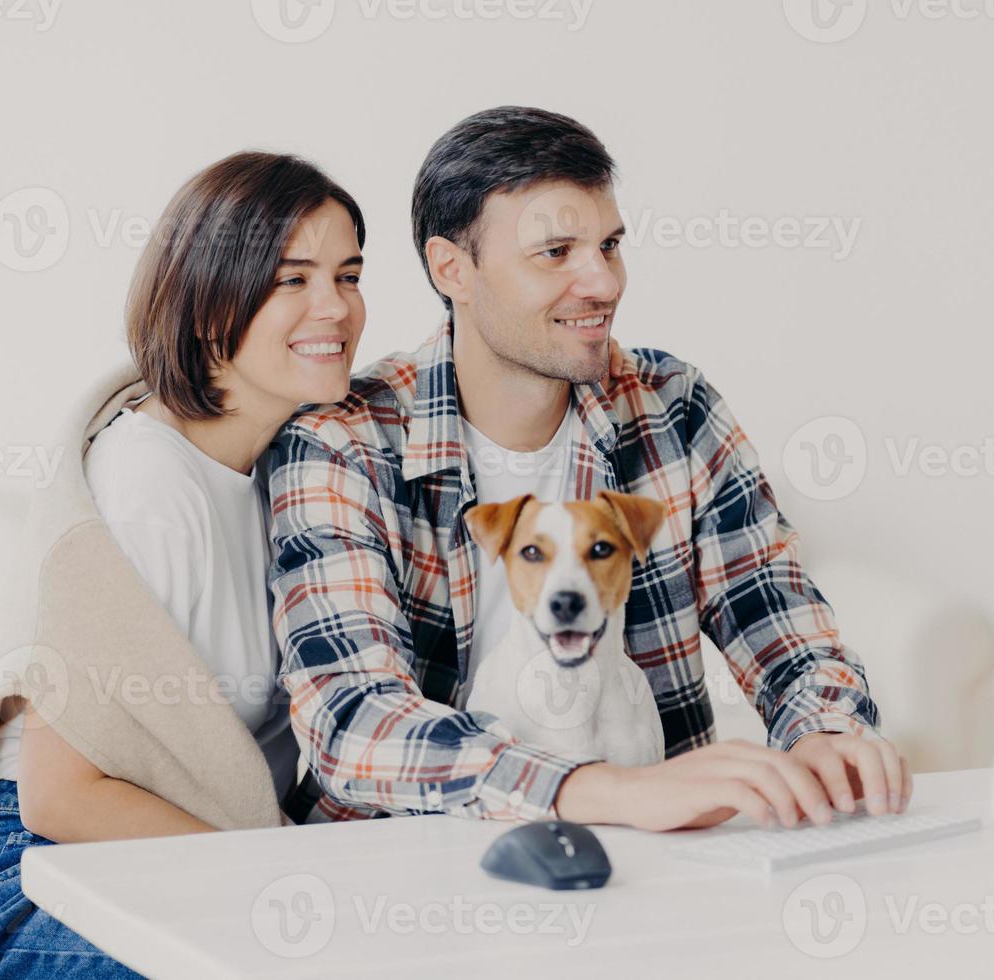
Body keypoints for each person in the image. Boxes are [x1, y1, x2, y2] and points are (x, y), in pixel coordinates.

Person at [269, 106, 912, 833]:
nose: (602, 282)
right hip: (404, 866)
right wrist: (603, 791)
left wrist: (826, 734)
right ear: (454, 269)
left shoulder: (674, 407)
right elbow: (353, 720)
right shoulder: (343, 444)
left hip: (642, 857)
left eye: (609, 245)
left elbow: (781, 625)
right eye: (557, 253)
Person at [0, 151, 368, 978]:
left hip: (186, 863)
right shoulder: (149, 480)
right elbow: (58, 795)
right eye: (293, 280)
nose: (335, 308)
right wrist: (284, 875)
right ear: (208, 307)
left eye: (348, 274)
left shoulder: (293, 476)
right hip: (24, 879)